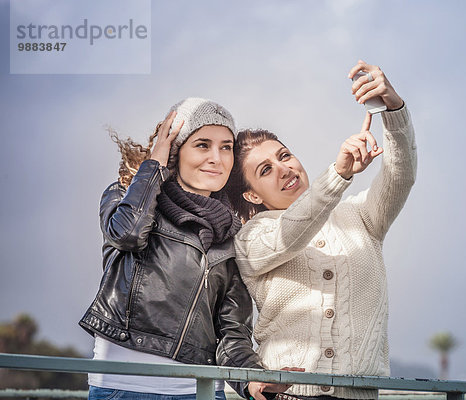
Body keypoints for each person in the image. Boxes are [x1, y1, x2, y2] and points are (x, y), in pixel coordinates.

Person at [227, 61, 417, 399]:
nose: (284, 169)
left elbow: (401, 176)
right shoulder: (251, 238)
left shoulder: (360, 215)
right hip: (287, 395)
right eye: (266, 169)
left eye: (285, 155)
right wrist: (339, 174)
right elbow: (291, 234)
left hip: (359, 394)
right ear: (251, 194)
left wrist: (393, 108)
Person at [79, 98, 292, 400]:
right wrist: (154, 165)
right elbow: (127, 234)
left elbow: (232, 334)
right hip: (125, 388)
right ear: (176, 150)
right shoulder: (126, 195)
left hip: (201, 392)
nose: (217, 158)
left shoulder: (233, 236)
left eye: (226, 147)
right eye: (203, 145)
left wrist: (251, 380)